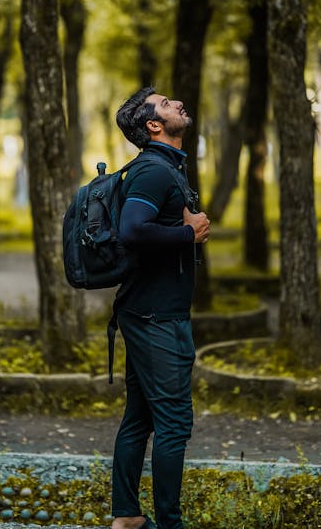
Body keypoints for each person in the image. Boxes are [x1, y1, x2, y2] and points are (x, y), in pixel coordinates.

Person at [111, 87, 210, 529]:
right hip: (157, 318)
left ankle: (127, 517)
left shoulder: (163, 167)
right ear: (154, 125)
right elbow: (133, 228)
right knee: (174, 423)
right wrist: (188, 235)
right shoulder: (153, 170)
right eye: (167, 104)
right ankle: (169, 524)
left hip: (146, 310)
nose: (178, 105)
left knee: (141, 417)